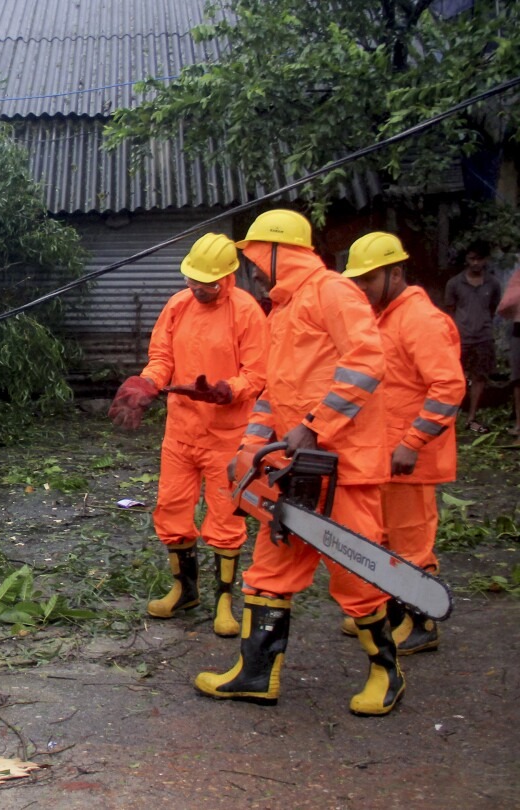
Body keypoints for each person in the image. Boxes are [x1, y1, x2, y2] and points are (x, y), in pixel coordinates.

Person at [193, 209, 404, 717]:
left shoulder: (332, 292)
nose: (252, 269)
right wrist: (247, 450)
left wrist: (315, 424)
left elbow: (367, 361)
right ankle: (255, 674)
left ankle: (386, 673)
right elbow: (273, 395)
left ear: (276, 250)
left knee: (355, 574)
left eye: (254, 258)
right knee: (267, 573)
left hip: (341, 466)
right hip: (295, 472)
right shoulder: (283, 310)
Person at [108, 233, 268, 637]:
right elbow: (162, 357)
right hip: (180, 431)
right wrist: (148, 383)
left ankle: (225, 602)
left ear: (227, 278)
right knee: (171, 509)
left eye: (207, 284)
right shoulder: (178, 306)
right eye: (192, 280)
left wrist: (228, 390)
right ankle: (185, 590)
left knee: (226, 517)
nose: (198, 289)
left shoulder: (246, 312)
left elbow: (258, 373)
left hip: (227, 436)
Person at [340, 232, 464, 655]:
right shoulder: (385, 316)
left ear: (395, 273)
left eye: (369, 280)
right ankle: (392, 612)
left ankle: (421, 622)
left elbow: (448, 387)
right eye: (357, 281)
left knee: (411, 541)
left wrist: (412, 441)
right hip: (384, 454)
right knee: (386, 536)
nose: (362, 289)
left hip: (410, 458)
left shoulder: (420, 319)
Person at [442, 244, 502, 432]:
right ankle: (451, 416)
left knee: (479, 377)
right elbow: (449, 311)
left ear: (485, 260)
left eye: (479, 259)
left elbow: (493, 308)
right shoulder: (454, 283)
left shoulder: (492, 284)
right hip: (460, 338)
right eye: (471, 259)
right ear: (466, 259)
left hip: (483, 337)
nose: (475, 263)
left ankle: (472, 417)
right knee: (453, 376)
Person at [498, 260, 520, 436]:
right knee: (518, 380)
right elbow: (505, 305)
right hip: (518, 333)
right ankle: (519, 424)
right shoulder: (517, 276)